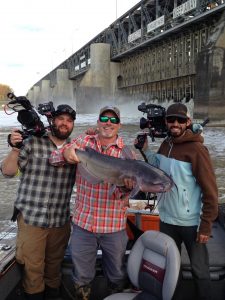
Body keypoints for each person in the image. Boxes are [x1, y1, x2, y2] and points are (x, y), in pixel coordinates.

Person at [50, 105, 136, 300]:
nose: (108, 123)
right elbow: (53, 158)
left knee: (116, 274)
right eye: (104, 119)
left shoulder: (127, 154)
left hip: (113, 226)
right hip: (83, 224)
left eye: (113, 120)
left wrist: (127, 187)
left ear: (119, 125)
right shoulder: (83, 141)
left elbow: (124, 196)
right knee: (81, 277)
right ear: (98, 123)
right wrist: (65, 154)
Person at [139, 103, 218, 300]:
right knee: (168, 268)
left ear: (188, 122)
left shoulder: (197, 150)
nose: (175, 123)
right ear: (166, 122)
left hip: (192, 224)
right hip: (167, 220)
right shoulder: (167, 144)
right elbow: (157, 167)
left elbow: (211, 192)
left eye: (180, 120)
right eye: (171, 119)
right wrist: (145, 150)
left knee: (200, 271)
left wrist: (206, 227)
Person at [0, 104, 76, 300]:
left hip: (60, 221)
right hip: (31, 219)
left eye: (69, 120)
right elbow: (8, 172)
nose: (64, 123)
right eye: (61, 119)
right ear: (52, 120)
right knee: (32, 272)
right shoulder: (32, 142)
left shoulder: (76, 149)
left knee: (54, 269)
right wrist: (15, 148)